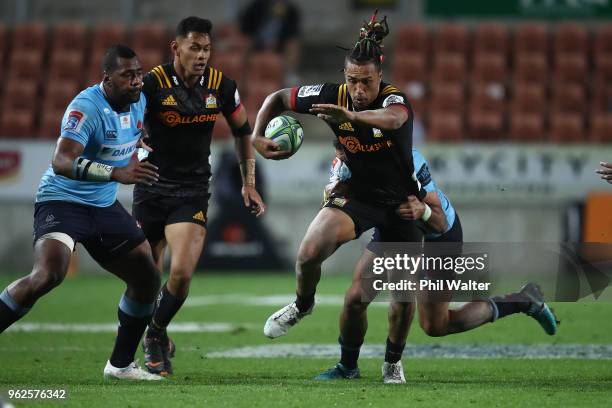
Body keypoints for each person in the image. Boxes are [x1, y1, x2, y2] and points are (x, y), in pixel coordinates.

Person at [318, 142, 558, 383]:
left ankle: (521, 301)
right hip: (396, 228)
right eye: (339, 147)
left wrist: (422, 210)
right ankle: (347, 367)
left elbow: (440, 222)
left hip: (437, 233)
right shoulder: (342, 165)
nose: (342, 154)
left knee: (435, 324)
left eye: (346, 148)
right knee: (355, 297)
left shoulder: (406, 160)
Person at [252, 11, 428, 340]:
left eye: (367, 81)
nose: (359, 89)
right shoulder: (332, 95)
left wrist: (350, 116)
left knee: (402, 298)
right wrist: (256, 136)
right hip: (358, 194)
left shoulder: (395, 99)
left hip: (403, 203)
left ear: (380, 76)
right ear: (344, 75)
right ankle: (303, 305)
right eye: (352, 80)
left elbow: (394, 120)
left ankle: (393, 363)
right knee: (307, 254)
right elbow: (275, 99)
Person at [0, 45, 163, 380]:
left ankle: (120, 365)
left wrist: (139, 143)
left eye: (139, 73)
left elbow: (128, 133)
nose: (136, 81)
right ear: (107, 79)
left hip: (103, 206)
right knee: (48, 274)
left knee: (146, 277)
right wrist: (116, 173)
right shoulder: (86, 107)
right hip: (63, 201)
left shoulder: (140, 99)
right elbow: (61, 162)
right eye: (127, 76)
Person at [133, 16, 265, 376]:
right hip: (150, 187)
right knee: (146, 278)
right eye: (195, 47)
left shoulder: (221, 86)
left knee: (181, 272)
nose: (203, 55)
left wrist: (248, 181)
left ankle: (154, 334)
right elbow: (127, 124)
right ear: (176, 48)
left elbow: (243, 132)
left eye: (207, 48)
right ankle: (154, 331)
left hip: (190, 191)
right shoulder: (151, 84)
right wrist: (132, 145)